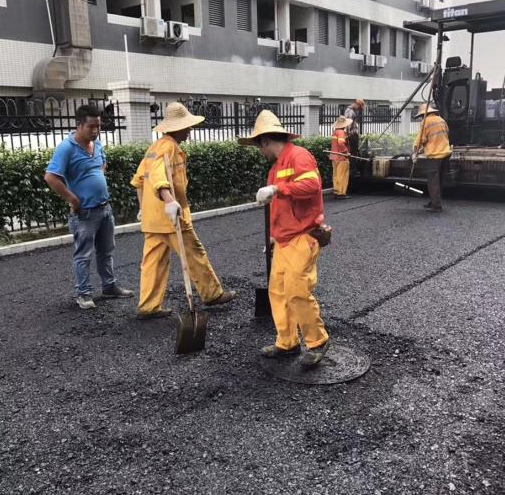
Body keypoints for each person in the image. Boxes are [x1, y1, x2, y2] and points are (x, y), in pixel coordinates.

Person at [238, 110, 330, 367]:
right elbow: (277, 209)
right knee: (278, 291)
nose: (260, 152)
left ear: (265, 141)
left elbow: (311, 187)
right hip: (283, 240)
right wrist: (272, 237)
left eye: (259, 147)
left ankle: (317, 341)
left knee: (297, 291)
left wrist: (279, 188)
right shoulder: (275, 169)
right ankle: (287, 342)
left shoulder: (298, 156)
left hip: (302, 236)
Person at [130, 102, 236, 320]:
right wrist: (169, 201)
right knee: (194, 253)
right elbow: (159, 177)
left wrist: (142, 209)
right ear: (176, 128)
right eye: (187, 126)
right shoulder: (168, 148)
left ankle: (148, 305)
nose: (190, 130)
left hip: (153, 218)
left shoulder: (154, 147)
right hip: (170, 217)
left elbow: (139, 181)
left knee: (153, 261)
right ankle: (212, 294)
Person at [44, 105, 134, 309]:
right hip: (84, 213)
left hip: (104, 208)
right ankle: (83, 294)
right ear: (79, 125)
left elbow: (103, 164)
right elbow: (51, 177)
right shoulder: (66, 148)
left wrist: (97, 175)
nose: (95, 131)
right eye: (91, 127)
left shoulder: (98, 145)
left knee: (106, 251)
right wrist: (73, 200)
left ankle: (109, 287)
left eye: (98, 126)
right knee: (83, 254)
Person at [412, 103, 452, 212]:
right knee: (439, 180)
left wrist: (415, 151)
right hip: (445, 154)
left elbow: (420, 139)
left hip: (434, 156)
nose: (421, 118)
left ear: (423, 114)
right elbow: (444, 134)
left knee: (433, 182)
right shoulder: (441, 120)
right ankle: (433, 201)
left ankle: (436, 206)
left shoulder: (425, 122)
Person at [329, 115, 353, 199]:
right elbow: (341, 143)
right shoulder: (341, 132)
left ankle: (336, 191)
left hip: (334, 156)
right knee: (342, 174)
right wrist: (346, 152)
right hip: (341, 157)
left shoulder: (335, 132)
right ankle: (341, 193)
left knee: (336, 174)